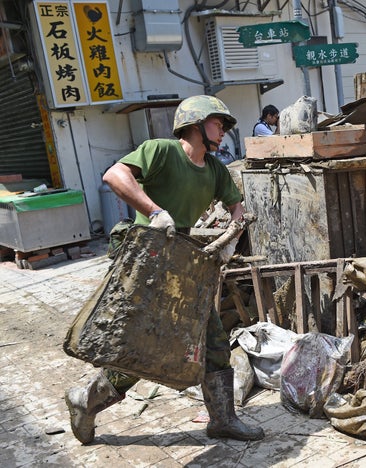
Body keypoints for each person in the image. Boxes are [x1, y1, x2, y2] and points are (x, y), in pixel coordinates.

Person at [64, 95, 264, 445]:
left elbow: (237, 207)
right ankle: (87, 400)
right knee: (145, 348)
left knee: (214, 339)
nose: (223, 131)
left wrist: (233, 235)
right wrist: (155, 211)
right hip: (149, 256)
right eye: (219, 123)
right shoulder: (161, 150)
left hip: (184, 261)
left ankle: (222, 419)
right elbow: (115, 175)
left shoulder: (215, 170)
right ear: (196, 123)